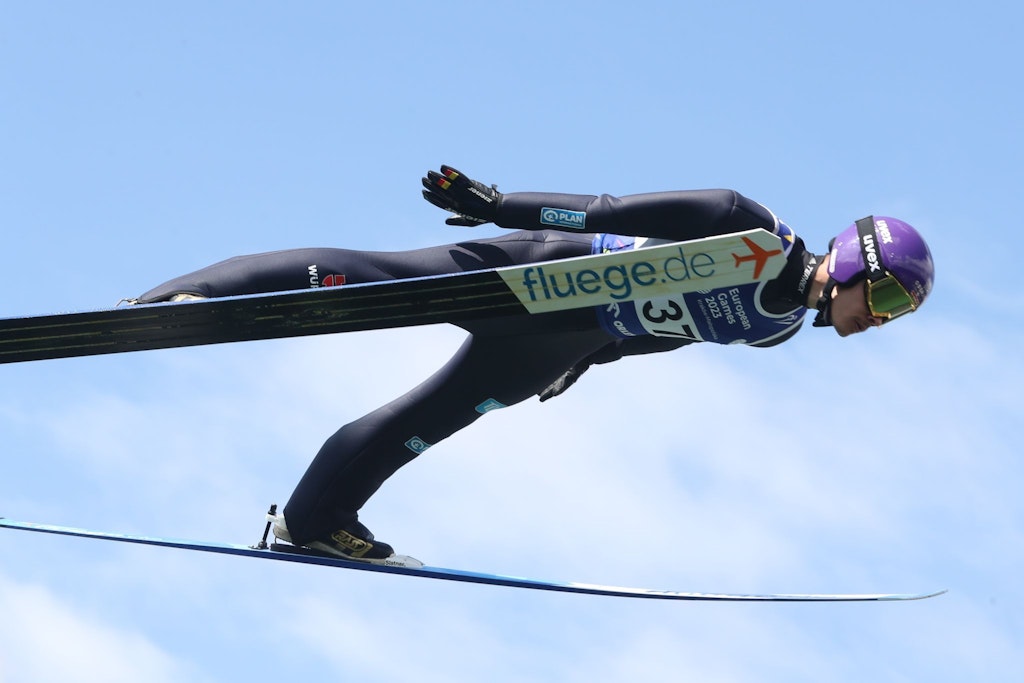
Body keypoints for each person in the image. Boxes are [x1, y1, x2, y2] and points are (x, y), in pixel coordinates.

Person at [136, 165, 935, 565]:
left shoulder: (777, 329)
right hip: (544, 268)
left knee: (420, 425)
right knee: (379, 278)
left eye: (897, 315)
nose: (878, 322)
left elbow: (668, 329)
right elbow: (606, 214)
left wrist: (590, 360)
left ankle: (308, 525)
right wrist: (497, 206)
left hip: (559, 340)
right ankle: (191, 296)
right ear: (859, 261)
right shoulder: (745, 227)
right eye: (890, 300)